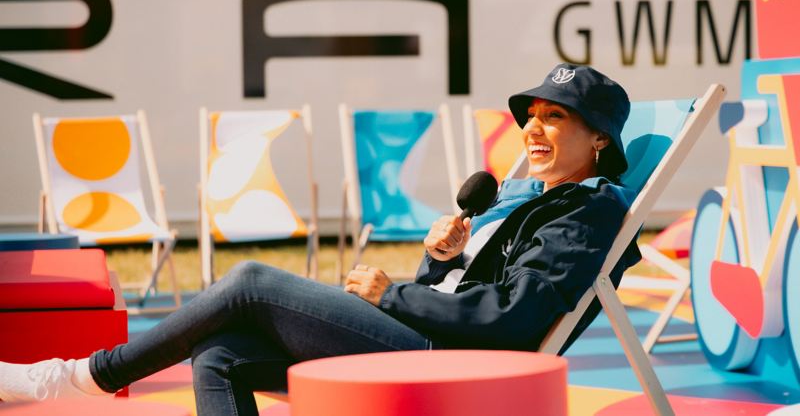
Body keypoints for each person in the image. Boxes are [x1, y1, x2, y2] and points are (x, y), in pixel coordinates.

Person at [0, 63, 641, 415]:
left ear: (600, 139)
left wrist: (392, 295)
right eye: (531, 117)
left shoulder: (588, 209)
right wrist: (437, 256)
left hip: (449, 347)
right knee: (220, 352)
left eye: (556, 118)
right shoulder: (526, 197)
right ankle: (84, 375)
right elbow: (460, 286)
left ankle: (86, 376)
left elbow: (513, 318)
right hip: (429, 329)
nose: (534, 129)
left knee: (251, 282)